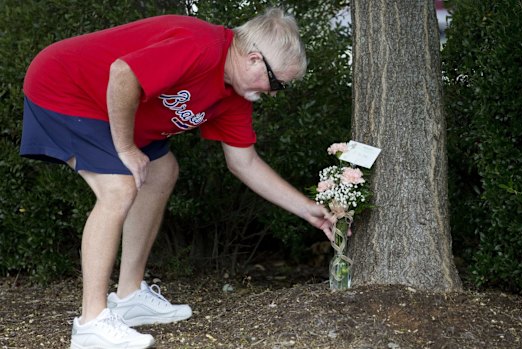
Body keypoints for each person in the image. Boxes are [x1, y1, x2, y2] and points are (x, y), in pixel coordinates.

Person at [20, 8, 337, 349]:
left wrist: (308, 210)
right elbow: (123, 73)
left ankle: (128, 297)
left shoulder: (234, 97)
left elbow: (244, 163)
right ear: (254, 59)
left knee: (163, 170)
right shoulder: (202, 46)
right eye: (277, 84)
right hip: (65, 86)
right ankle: (90, 324)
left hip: (110, 106)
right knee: (119, 187)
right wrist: (126, 148)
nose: (273, 94)